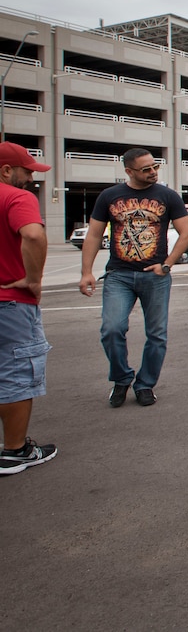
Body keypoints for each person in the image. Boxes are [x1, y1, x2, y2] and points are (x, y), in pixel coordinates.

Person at [80, 148, 188, 407]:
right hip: (118, 275)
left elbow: (186, 233)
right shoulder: (109, 196)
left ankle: (145, 385)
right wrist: (86, 271)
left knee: (157, 335)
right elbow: (94, 235)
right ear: (129, 172)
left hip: (155, 276)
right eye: (146, 169)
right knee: (111, 330)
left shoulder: (168, 196)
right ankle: (121, 379)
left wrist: (166, 265)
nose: (153, 172)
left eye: (155, 167)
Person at [0, 142, 57, 475]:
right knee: (17, 372)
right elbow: (33, 236)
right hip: (9, 301)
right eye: (27, 172)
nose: (30, 180)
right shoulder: (16, 197)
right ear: (7, 170)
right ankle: (15, 451)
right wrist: (32, 279)